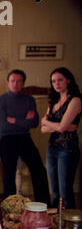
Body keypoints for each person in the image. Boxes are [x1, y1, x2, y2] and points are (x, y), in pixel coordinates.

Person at [0, 69, 50, 204]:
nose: (16, 84)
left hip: (24, 138)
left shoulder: (29, 100)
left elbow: (34, 123)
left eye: (19, 81)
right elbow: (3, 126)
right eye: (13, 81)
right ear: (8, 83)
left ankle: (44, 205)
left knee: (39, 170)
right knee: (9, 173)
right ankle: (10, 207)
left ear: (23, 83)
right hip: (7, 139)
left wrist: (13, 120)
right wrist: (24, 121)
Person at [41, 67, 81, 209]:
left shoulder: (75, 100)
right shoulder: (53, 101)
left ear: (68, 80)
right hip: (52, 148)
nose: (57, 84)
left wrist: (52, 123)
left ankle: (70, 225)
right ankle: (55, 222)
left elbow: (61, 128)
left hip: (67, 148)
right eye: (53, 81)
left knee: (65, 191)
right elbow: (43, 128)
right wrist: (58, 125)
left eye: (60, 80)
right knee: (56, 191)